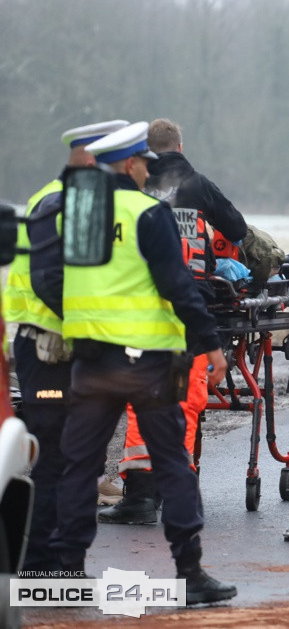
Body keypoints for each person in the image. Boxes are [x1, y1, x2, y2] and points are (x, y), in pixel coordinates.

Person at [53, 121, 237, 604]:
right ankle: (190, 574)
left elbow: (51, 278)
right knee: (173, 463)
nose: (147, 172)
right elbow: (178, 287)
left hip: (90, 363)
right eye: (143, 165)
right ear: (130, 164)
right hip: (148, 366)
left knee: (79, 467)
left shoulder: (78, 213)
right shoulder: (147, 213)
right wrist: (211, 344)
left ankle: (68, 573)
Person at [98, 117, 247, 525]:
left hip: (139, 305)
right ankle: (177, 493)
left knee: (139, 398)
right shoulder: (198, 184)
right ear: (180, 147)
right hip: (189, 303)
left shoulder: (130, 191)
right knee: (185, 399)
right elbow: (237, 228)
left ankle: (142, 497)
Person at [2, 119, 128, 572]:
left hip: (59, 349)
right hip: (51, 351)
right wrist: (94, 330)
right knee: (57, 457)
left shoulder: (66, 199)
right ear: (94, 160)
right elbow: (51, 281)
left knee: (74, 458)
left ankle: (56, 560)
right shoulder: (58, 203)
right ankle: (41, 563)